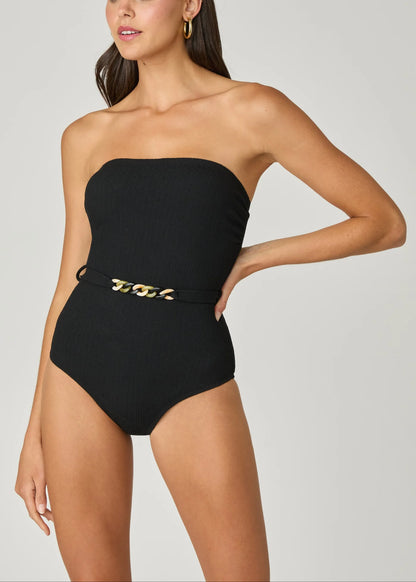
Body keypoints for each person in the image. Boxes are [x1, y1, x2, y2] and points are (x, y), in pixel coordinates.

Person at [14, 1, 407, 581]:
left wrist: (251, 258)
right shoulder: (86, 135)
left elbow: (383, 223)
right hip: (79, 368)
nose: (124, 9)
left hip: (188, 366)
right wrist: (34, 434)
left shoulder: (252, 110)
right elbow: (67, 280)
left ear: (190, 4)